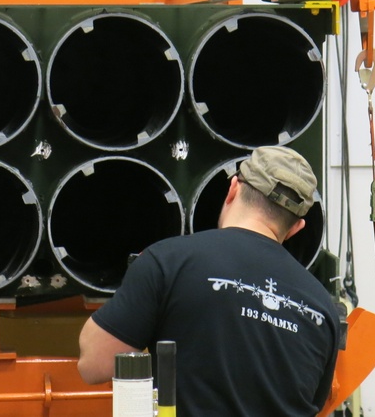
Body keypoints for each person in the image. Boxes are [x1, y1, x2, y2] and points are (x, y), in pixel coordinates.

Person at [78, 146, 340, 416]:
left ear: (233, 189)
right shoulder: (322, 307)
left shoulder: (169, 261)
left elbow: (94, 364)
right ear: (296, 228)